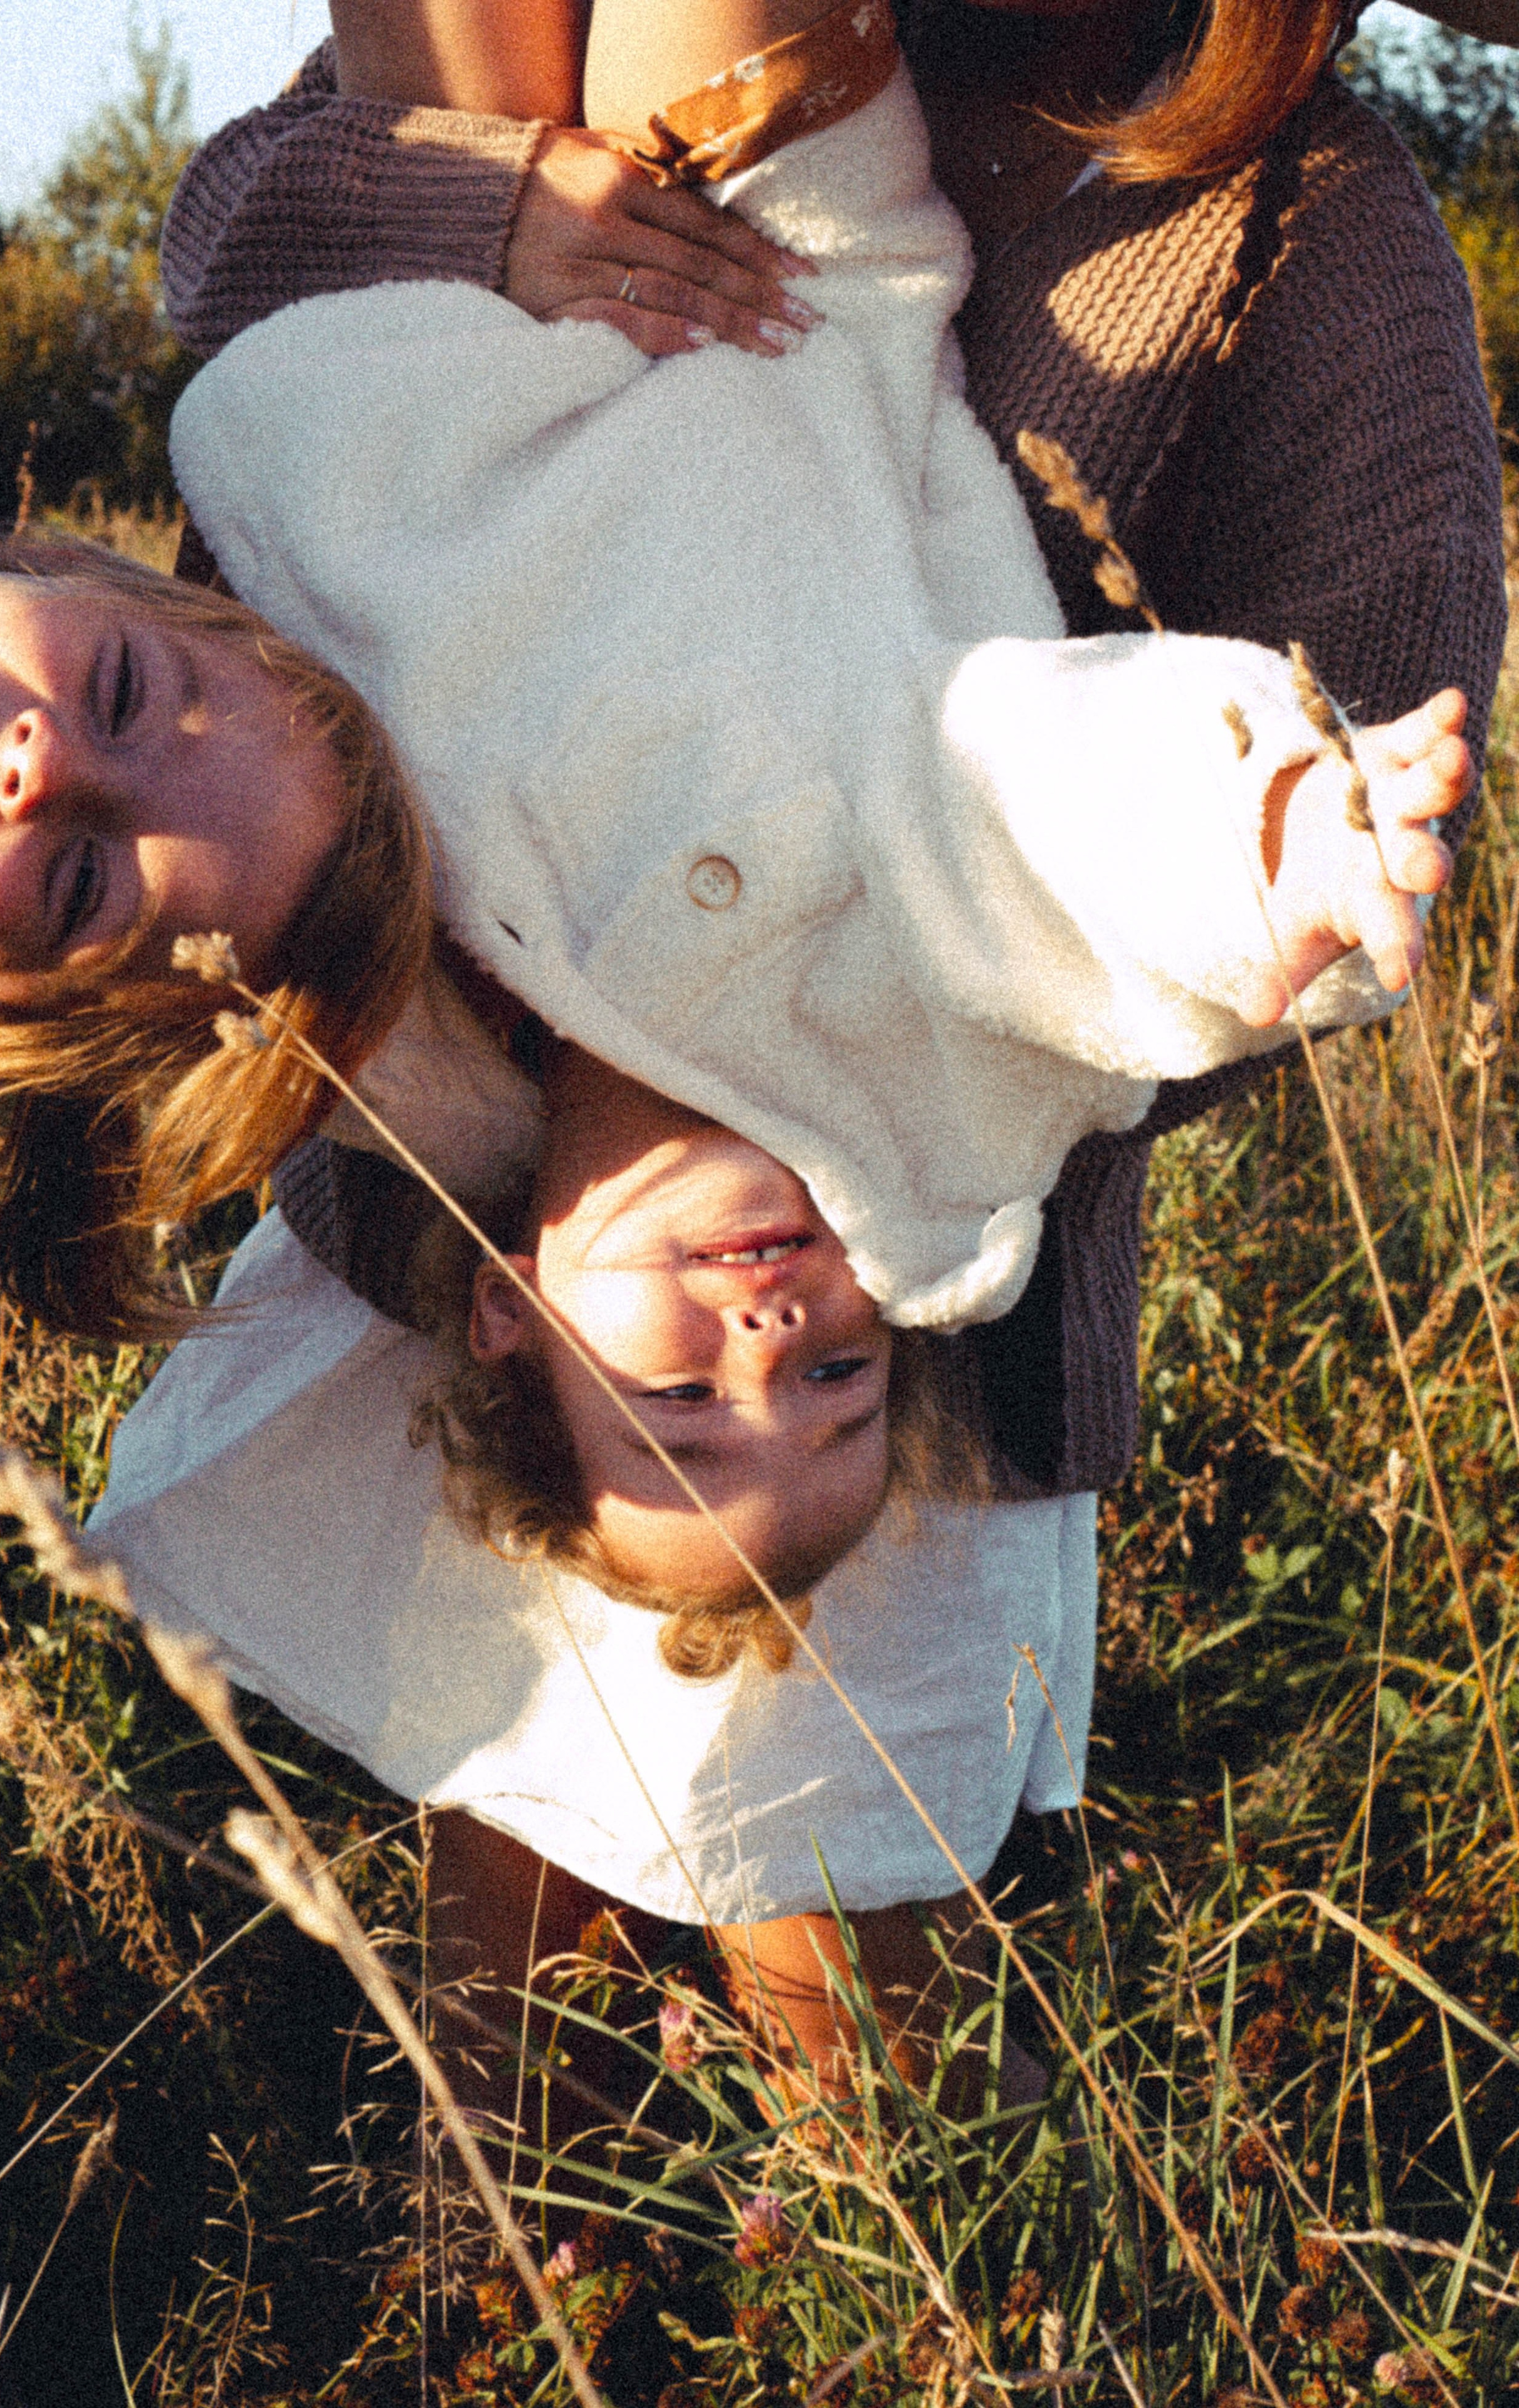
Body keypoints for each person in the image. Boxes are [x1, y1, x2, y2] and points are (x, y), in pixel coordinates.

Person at [89, 0, 1483, 2135]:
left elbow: (1316, 823)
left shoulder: (1309, 217)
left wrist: (845, 1049)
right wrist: (480, 201)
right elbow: (225, 240)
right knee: (513, 1783)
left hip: (906, 1268)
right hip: (533, 1252)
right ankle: (505, 2267)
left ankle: (884, 2290)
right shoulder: (574, 68)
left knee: (831, 1923)